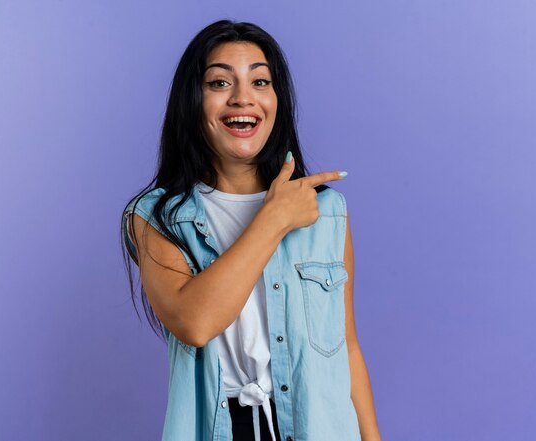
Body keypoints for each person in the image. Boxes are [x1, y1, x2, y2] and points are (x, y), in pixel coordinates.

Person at [121, 19, 381, 441]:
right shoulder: (155, 216)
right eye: (220, 83)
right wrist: (274, 218)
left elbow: (346, 348)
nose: (244, 98)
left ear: (277, 100)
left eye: (261, 81)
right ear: (193, 100)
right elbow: (194, 322)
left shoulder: (327, 211)